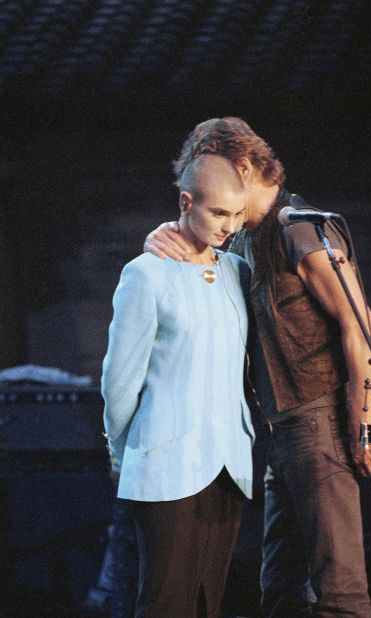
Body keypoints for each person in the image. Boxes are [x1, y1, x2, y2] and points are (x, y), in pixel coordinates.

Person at [144, 117, 371, 617]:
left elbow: (359, 323)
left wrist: (364, 420)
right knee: (280, 588)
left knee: (339, 591)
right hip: (282, 431)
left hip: (322, 423)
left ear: (245, 167)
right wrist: (164, 238)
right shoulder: (247, 239)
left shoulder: (299, 228)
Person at [101, 153, 256, 618]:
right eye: (217, 212)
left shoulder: (238, 272)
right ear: (186, 203)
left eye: (236, 214)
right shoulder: (145, 274)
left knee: (211, 598)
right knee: (166, 600)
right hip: (166, 459)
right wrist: (120, 453)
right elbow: (120, 378)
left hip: (229, 462)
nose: (228, 225)